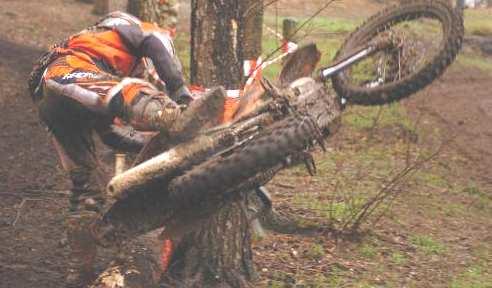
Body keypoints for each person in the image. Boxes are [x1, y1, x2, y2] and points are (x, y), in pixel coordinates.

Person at [28, 11, 191, 286]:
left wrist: (155, 143)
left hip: (49, 99)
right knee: (130, 95)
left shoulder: (101, 59)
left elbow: (112, 135)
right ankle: (181, 119)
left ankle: (80, 271)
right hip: (66, 72)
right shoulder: (126, 27)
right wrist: (181, 94)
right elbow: (155, 40)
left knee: (87, 189)